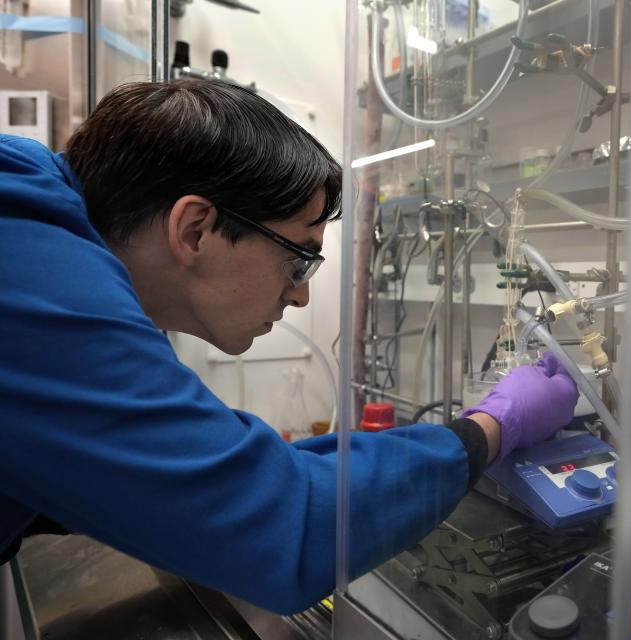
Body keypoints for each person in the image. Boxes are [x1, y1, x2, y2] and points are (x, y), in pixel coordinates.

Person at [0, 79, 578, 614]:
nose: (300, 296)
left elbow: (194, 472)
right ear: (195, 228)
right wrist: (491, 427)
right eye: (298, 257)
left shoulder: (30, 212)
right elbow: (284, 527)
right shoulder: (35, 273)